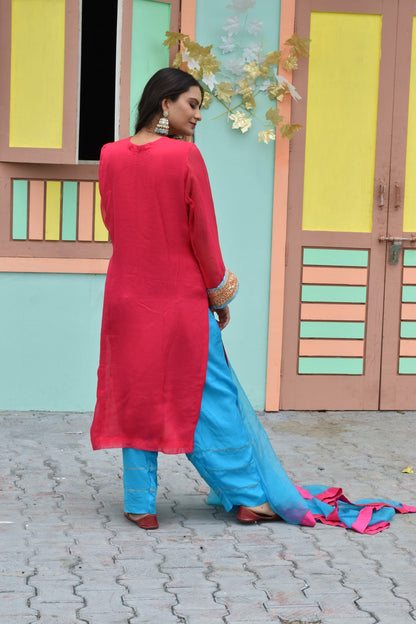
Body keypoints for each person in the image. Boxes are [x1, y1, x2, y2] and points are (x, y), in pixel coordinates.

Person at [91, 68, 415, 534]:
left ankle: (139, 503)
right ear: (164, 104)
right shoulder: (185, 158)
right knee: (213, 399)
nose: (199, 115)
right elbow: (203, 238)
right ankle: (248, 497)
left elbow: (113, 223)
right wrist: (218, 293)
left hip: (125, 300)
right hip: (179, 303)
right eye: (192, 104)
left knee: (138, 395)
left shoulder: (109, 156)